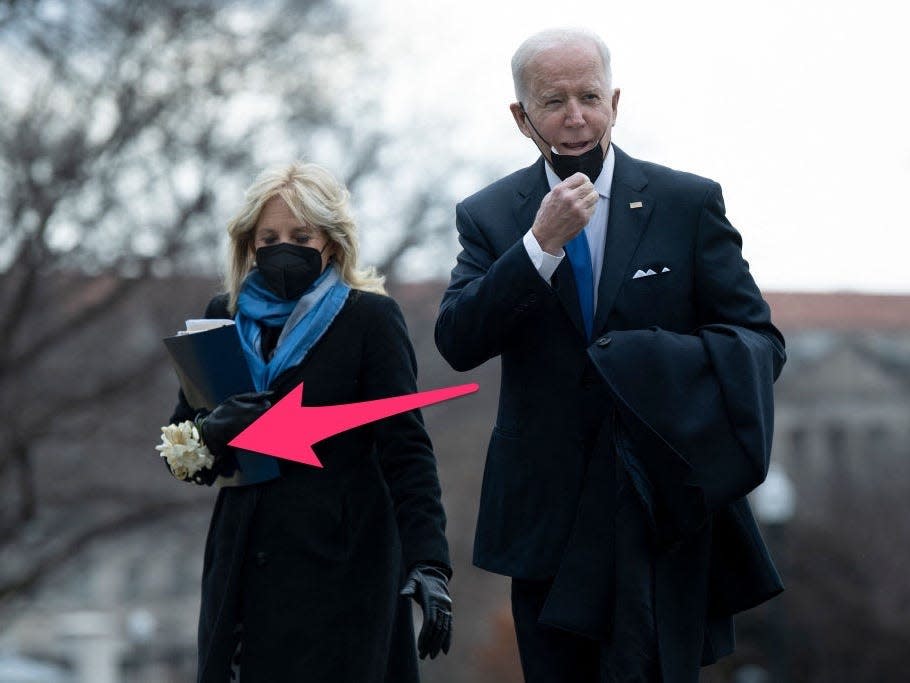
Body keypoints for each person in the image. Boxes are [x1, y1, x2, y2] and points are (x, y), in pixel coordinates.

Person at [435, 28, 786, 683]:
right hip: (548, 522)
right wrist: (537, 246)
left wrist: (649, 365)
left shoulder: (687, 202)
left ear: (615, 102)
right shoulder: (489, 215)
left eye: (589, 96)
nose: (575, 117)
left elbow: (758, 343)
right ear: (521, 116)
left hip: (659, 507)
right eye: (553, 101)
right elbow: (457, 340)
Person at [166, 161, 453, 683]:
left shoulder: (369, 319)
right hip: (243, 568)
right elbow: (182, 454)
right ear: (249, 244)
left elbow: (407, 450)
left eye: (301, 235)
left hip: (343, 570)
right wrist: (211, 431)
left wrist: (429, 564)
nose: (283, 248)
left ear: (332, 243)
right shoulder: (220, 317)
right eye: (269, 236)